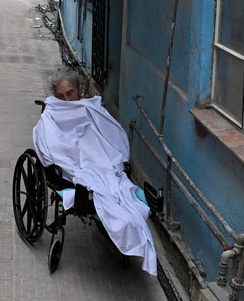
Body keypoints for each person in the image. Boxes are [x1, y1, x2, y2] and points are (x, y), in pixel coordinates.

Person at [32, 68, 157, 275]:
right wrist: (71, 159)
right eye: (61, 96)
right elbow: (49, 145)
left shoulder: (92, 108)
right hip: (74, 165)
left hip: (100, 160)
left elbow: (109, 133)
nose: (67, 99)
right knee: (100, 188)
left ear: (79, 90)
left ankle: (124, 223)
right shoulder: (51, 115)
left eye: (70, 93)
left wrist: (107, 158)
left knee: (118, 189)